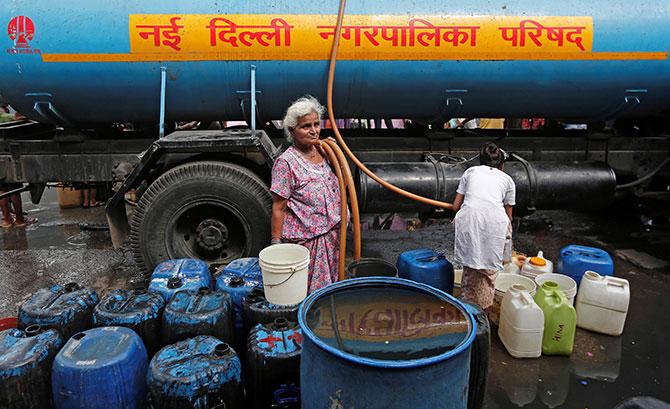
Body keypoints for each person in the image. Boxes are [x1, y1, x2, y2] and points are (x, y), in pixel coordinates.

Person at [270, 96, 347, 293]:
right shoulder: (285, 163)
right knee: (309, 292)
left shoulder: (324, 151)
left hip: (333, 234)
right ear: (291, 131)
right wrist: (276, 244)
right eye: (306, 126)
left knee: (333, 286)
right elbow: (279, 207)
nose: (314, 130)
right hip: (309, 240)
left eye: (316, 124)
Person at [452, 142, 515, 310]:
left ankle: (467, 305)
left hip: (468, 220)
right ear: (501, 164)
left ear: (480, 161)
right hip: (495, 223)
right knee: (489, 268)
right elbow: (509, 215)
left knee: (471, 262)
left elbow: (455, 207)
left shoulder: (470, 172)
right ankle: (483, 311)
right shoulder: (507, 180)